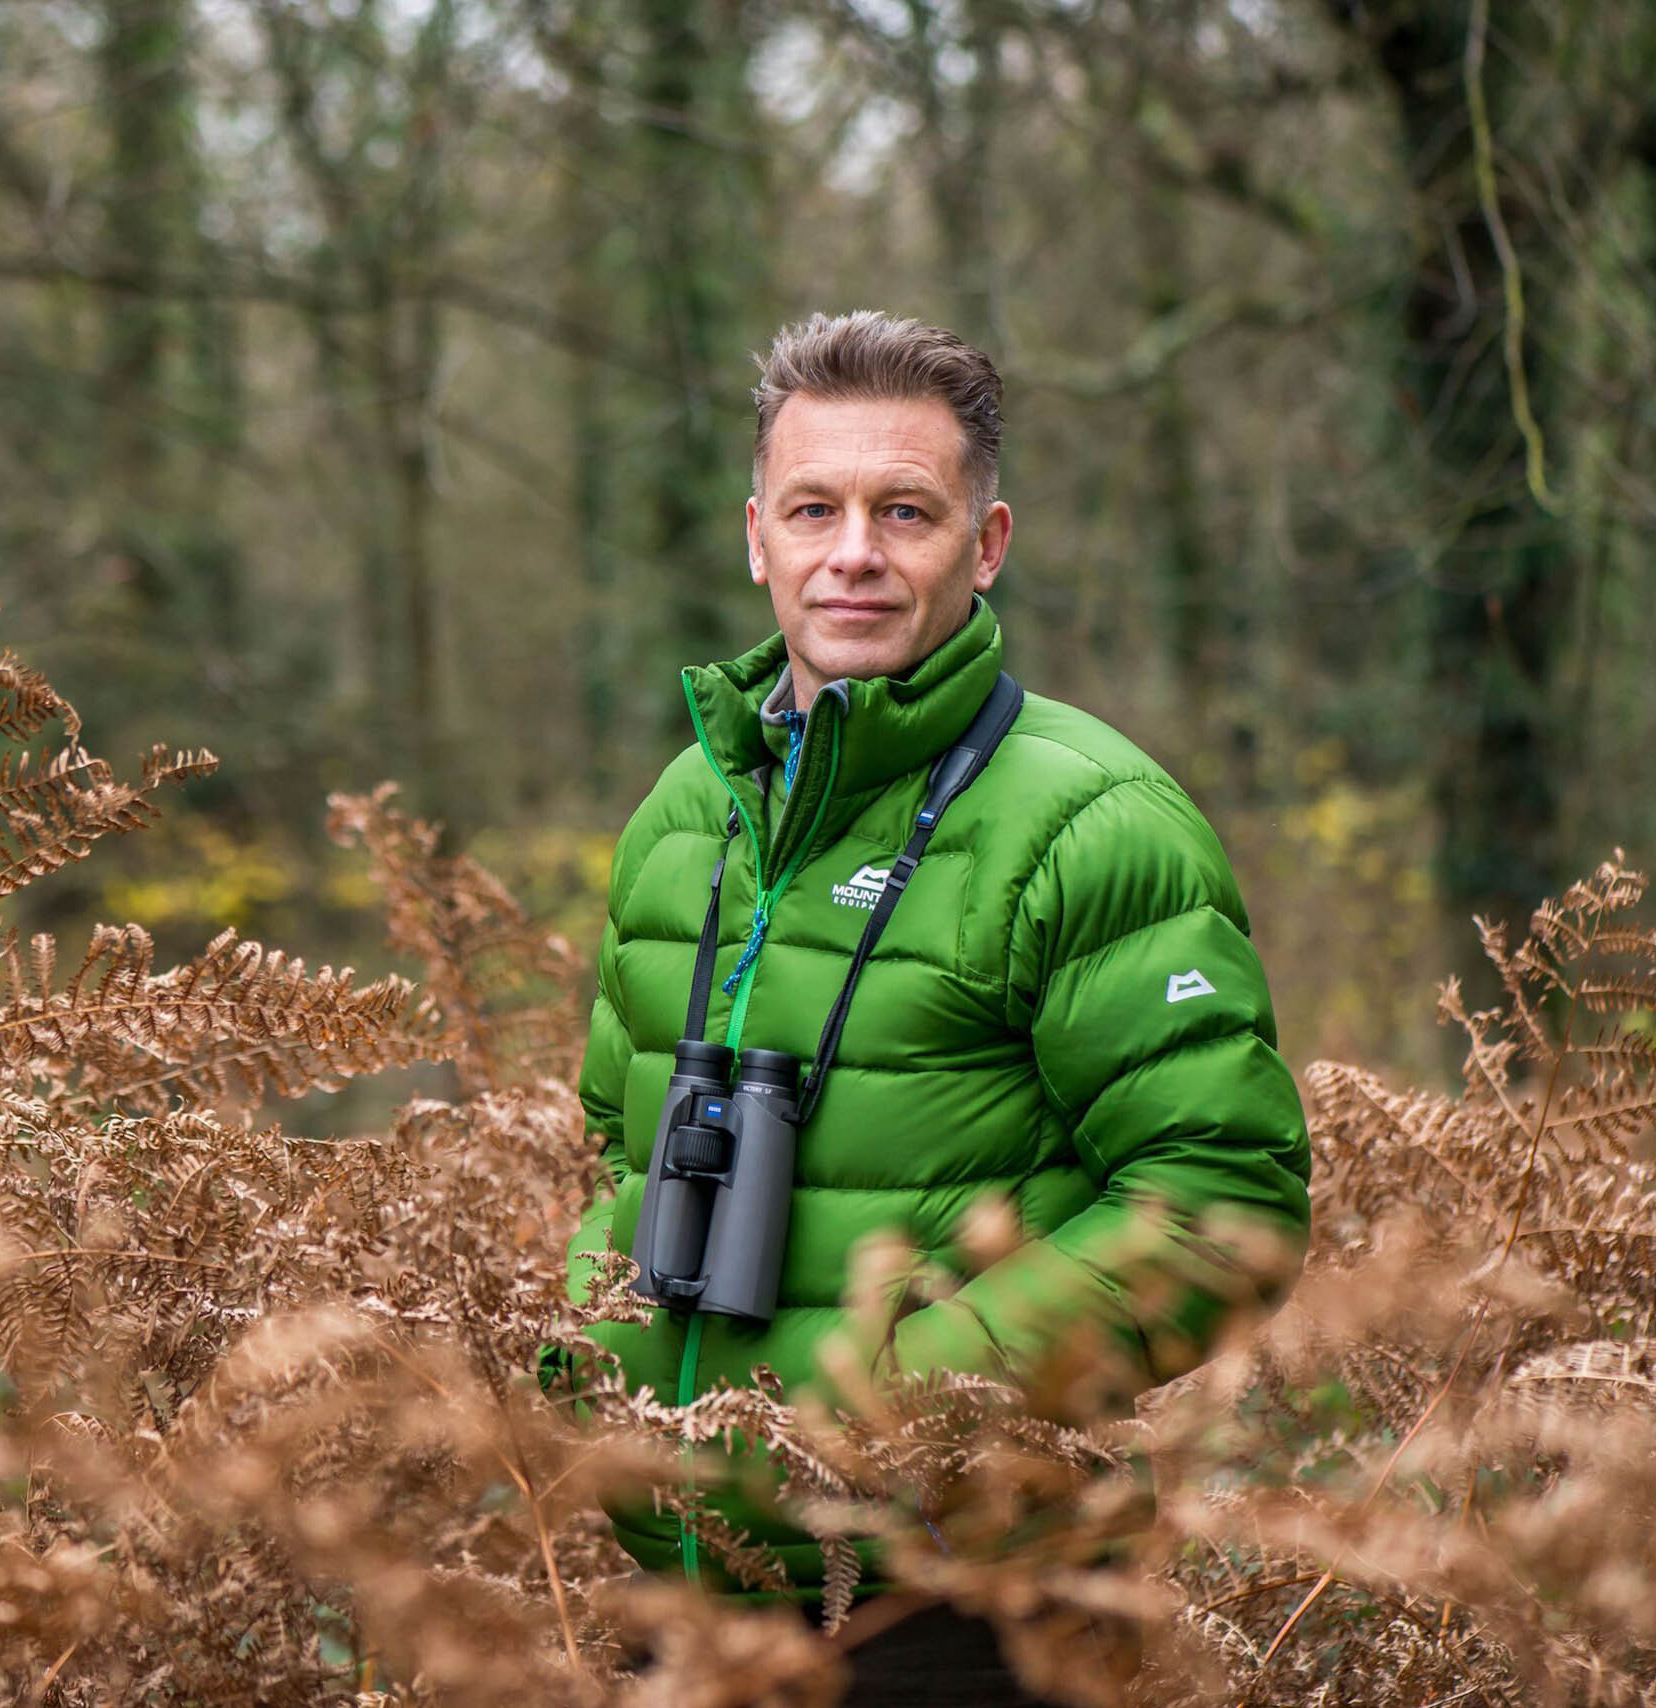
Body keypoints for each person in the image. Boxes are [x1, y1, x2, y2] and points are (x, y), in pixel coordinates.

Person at [547, 312, 1312, 1703]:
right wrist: (583, 1354)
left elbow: (1223, 1198)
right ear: (754, 536)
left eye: (905, 510)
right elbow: (614, 1137)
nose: (853, 552)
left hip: (960, 1611)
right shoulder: (684, 815)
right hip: (683, 1587)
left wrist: (901, 1410)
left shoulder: (1092, 821)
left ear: (987, 540)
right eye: (814, 508)